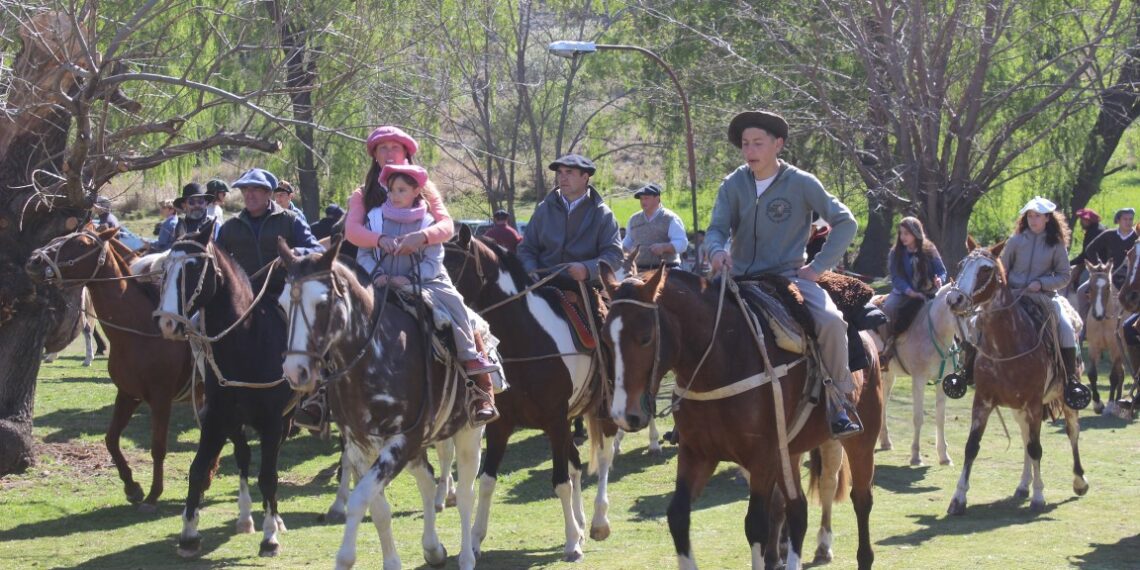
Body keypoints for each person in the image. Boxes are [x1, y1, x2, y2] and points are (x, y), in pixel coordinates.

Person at [706, 110, 862, 439]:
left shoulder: (802, 183)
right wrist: (718, 251)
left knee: (832, 323)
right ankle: (691, 404)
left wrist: (818, 268)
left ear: (778, 144)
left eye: (758, 143)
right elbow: (716, 229)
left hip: (788, 279)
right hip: (739, 279)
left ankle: (839, 401)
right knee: (694, 319)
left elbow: (846, 221)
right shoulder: (732, 184)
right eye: (745, 144)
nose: (750, 150)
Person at [356, 164, 499, 424]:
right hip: (379, 283)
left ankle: (478, 381)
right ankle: (322, 389)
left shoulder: (427, 222)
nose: (394, 195)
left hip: (423, 283)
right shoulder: (374, 218)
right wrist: (377, 275)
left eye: (401, 190)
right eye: (391, 190)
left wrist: (407, 279)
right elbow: (364, 254)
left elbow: (434, 261)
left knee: (456, 307)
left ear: (416, 191)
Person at [999, 197, 1081, 387]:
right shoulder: (1015, 241)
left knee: (1066, 330)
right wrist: (1011, 285)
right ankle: (969, 371)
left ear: (1047, 218)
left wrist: (1041, 283)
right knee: (979, 320)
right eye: (1029, 216)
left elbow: (1064, 276)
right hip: (1014, 296)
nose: (1033, 220)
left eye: (1037, 216)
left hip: (1044, 297)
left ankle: (1070, 381)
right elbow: (1001, 270)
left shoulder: (1056, 244)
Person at [345, 126, 455, 261]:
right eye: (383, 148)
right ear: (375, 155)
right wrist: (380, 239)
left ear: (405, 153)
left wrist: (422, 236)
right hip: (374, 271)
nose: (389, 154)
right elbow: (351, 230)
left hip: (426, 269)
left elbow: (447, 226)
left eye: (395, 147)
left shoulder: (426, 189)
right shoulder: (363, 194)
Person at [517, 154, 622, 284]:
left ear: (585, 177)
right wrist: (530, 270)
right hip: (541, 284)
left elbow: (615, 256)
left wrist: (587, 269)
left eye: (569, 172)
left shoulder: (603, 214)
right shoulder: (543, 210)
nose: (563, 177)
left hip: (586, 286)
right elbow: (526, 248)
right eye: (560, 173)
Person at [879, 217, 948, 365]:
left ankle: (951, 350)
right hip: (904, 293)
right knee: (887, 309)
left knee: (947, 310)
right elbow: (896, 277)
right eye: (901, 233)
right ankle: (887, 347)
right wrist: (910, 291)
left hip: (928, 291)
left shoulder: (930, 249)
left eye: (906, 233)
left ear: (916, 233)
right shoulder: (895, 252)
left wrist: (939, 280)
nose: (902, 237)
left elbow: (941, 271)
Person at [622, 183, 688, 270]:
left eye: (646, 198)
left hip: (668, 270)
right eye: (641, 199)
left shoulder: (670, 218)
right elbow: (627, 243)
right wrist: (622, 251)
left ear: (657, 198)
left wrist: (664, 247)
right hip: (639, 271)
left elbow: (682, 244)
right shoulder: (633, 219)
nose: (643, 202)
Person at [1078, 207, 1136, 288]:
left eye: (1130, 219)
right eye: (1125, 219)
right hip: (1109, 277)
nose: (1128, 222)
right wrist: (1100, 266)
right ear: (1118, 220)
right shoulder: (1109, 234)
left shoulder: (1137, 237)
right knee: (1081, 291)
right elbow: (1090, 249)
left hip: (1132, 278)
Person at [152, 183, 218, 252]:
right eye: (191, 202)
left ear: (206, 203)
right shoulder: (180, 225)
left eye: (200, 201)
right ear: (184, 205)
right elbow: (174, 250)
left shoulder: (214, 224)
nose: (196, 205)